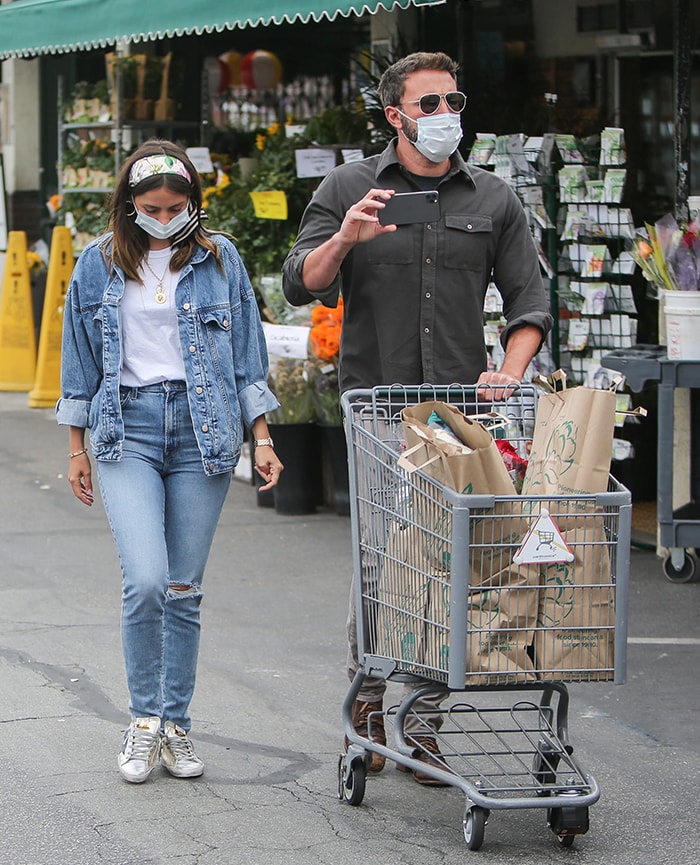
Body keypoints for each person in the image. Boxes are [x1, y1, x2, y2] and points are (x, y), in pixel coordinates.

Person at [282, 52, 552, 784]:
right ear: (395, 115)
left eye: (453, 99)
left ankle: (423, 719)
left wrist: (510, 370)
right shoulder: (349, 186)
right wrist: (348, 236)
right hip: (378, 406)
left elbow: (530, 304)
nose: (445, 115)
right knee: (380, 560)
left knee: (446, 562)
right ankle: (367, 708)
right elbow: (299, 281)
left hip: (458, 419)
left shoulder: (491, 198)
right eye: (428, 103)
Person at [57, 139, 284, 784]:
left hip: (201, 428)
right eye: (151, 206)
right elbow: (79, 360)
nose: (164, 215)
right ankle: (142, 720)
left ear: (193, 202)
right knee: (147, 580)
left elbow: (247, 354)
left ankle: (175, 725)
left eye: (176, 204)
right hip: (126, 427)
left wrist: (261, 436)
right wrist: (74, 447)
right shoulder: (97, 265)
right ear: (129, 205)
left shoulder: (220, 259)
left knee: (183, 587)